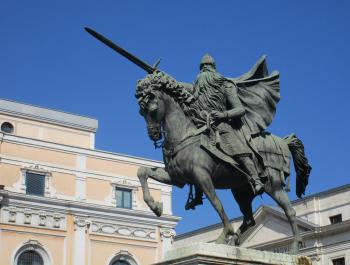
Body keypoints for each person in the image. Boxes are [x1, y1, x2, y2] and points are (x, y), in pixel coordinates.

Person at [185, 54, 265, 210]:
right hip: (202, 125)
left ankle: (256, 180)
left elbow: (240, 109)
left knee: (238, 149)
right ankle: (198, 195)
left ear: (214, 69)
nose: (204, 72)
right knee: (192, 155)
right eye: (202, 68)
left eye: (207, 67)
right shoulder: (197, 87)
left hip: (223, 125)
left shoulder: (226, 85)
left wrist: (224, 115)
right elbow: (180, 86)